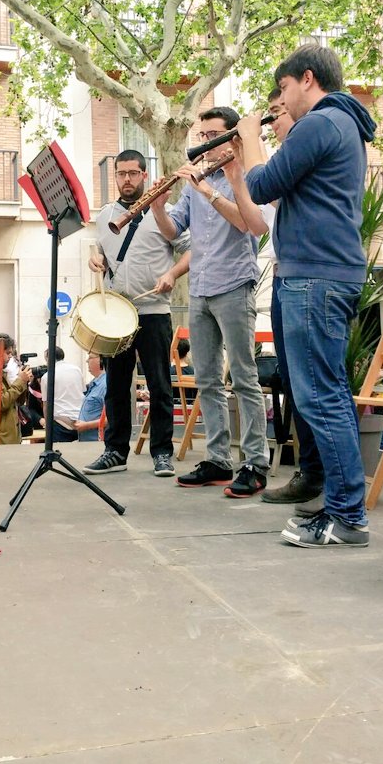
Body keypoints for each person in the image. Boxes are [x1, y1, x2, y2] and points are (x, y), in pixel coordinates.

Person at [240, 44, 376, 547]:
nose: (281, 100)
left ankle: (347, 517)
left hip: (314, 277)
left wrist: (250, 139)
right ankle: (343, 509)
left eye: (283, 88)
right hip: (324, 274)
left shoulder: (320, 123)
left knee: (320, 398)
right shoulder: (342, 124)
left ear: (308, 79)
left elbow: (262, 186)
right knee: (327, 394)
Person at [150, 107, 270, 498]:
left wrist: (209, 191)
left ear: (232, 138)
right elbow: (173, 231)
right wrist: (157, 205)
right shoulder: (194, 183)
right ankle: (218, 459)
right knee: (206, 380)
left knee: (244, 377)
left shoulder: (247, 175)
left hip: (234, 284)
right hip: (200, 289)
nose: (204, 143)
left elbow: (248, 223)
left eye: (212, 135)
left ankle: (255, 463)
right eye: (201, 136)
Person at [83, 149, 190, 478]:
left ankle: (162, 452)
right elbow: (102, 251)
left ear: (145, 175)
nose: (126, 179)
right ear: (115, 176)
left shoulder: (165, 212)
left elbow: (191, 251)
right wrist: (96, 259)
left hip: (154, 310)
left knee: (159, 385)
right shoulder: (105, 215)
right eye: (121, 173)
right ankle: (115, 451)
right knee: (115, 385)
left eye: (132, 173)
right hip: (116, 314)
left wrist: (172, 274)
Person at [40, 346, 85, 442]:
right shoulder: (77, 370)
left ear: (48, 358)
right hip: (80, 419)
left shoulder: (47, 376)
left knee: (60, 450)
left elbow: (46, 404)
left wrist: (48, 427)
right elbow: (83, 391)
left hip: (60, 422)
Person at [75, 353, 107, 442]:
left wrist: (86, 426)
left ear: (101, 360)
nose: (87, 361)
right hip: (88, 441)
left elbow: (111, 418)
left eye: (90, 358)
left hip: (97, 442)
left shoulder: (105, 385)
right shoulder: (95, 383)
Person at [171, 338, 195, 404]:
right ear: (187, 352)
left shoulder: (167, 372)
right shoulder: (193, 372)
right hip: (190, 408)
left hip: (170, 406)